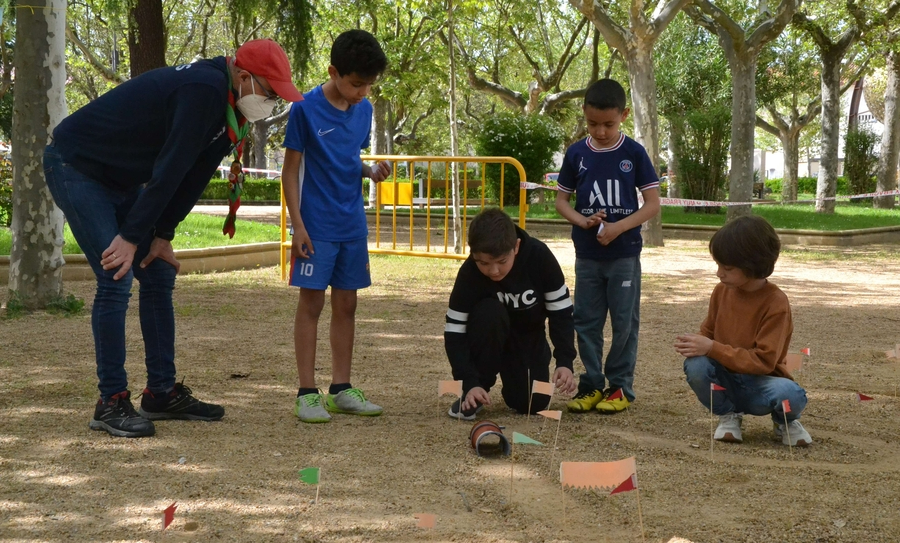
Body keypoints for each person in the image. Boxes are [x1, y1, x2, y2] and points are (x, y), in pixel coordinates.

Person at [43, 39, 304, 438]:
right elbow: (169, 169)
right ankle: (110, 402)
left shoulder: (231, 111)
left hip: (119, 177)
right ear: (244, 76)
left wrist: (162, 235)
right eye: (269, 93)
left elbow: (193, 175)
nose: (270, 104)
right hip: (76, 165)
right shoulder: (203, 90)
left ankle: (160, 393)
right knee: (116, 274)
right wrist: (131, 237)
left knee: (159, 272)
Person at [281, 29, 392, 424]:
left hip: (352, 224)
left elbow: (347, 158)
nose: (362, 93)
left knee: (348, 304)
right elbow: (291, 172)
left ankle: (341, 389)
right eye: (357, 83)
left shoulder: (364, 109)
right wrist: (298, 226)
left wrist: (370, 170)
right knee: (311, 303)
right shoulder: (304, 108)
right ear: (334, 72)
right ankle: (306, 393)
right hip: (316, 226)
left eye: (369, 85)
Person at [554, 78, 661, 414]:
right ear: (584, 115)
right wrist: (582, 220)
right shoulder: (576, 153)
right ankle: (591, 385)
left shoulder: (634, 152)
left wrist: (617, 228)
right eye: (592, 123)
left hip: (624, 254)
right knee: (585, 320)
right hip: (587, 255)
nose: (600, 131)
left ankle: (620, 387)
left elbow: (652, 204)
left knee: (624, 322)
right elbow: (561, 201)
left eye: (609, 124)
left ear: (624, 115)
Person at [675, 215, 812, 447]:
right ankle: (728, 415)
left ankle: (785, 421)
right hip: (724, 380)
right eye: (718, 265)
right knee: (696, 365)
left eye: (727, 268)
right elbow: (708, 332)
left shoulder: (775, 302)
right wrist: (697, 344)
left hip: (761, 384)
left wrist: (711, 347)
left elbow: (764, 362)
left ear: (752, 265)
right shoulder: (722, 291)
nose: (719, 273)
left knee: (792, 394)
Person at [444, 208, 577, 420]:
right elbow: (454, 331)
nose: (494, 271)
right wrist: (468, 382)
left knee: (534, 404)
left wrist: (564, 361)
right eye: (484, 263)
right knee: (491, 312)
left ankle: (525, 373)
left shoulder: (540, 257)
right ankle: (476, 391)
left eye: (501, 261)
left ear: (516, 246)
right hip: (488, 335)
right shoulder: (469, 273)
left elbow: (561, 313)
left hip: (527, 338)